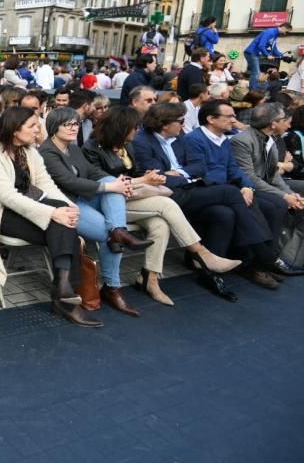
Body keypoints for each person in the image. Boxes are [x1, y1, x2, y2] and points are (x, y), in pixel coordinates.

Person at [81, 106, 240, 305]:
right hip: (107, 204)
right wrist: (143, 181)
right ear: (121, 128)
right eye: (134, 127)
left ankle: (151, 279)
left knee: (160, 224)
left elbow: (136, 173)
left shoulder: (127, 146)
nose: (137, 131)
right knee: (166, 204)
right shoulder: (91, 149)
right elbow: (102, 184)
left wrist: (149, 177)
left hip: (132, 196)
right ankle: (202, 254)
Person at [0, 107, 100, 327]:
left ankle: (63, 287)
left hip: (32, 207)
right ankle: (65, 296)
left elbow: (45, 185)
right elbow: (8, 198)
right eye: (32, 125)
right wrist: (54, 212)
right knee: (62, 224)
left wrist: (70, 206)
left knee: (63, 216)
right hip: (1, 214)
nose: (38, 129)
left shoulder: (30, 152)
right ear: (15, 129)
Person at [182, 100, 301, 289]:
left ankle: (257, 260)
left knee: (274, 204)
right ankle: (263, 256)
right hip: (207, 191)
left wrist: (245, 186)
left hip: (227, 189)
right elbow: (201, 172)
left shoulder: (225, 139)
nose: (234, 119)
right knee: (228, 212)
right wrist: (239, 188)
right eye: (229, 116)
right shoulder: (195, 139)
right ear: (211, 119)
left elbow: (236, 170)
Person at [39, 108, 147, 315]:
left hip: (85, 198)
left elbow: (92, 172)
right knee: (110, 235)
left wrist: (118, 182)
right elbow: (69, 181)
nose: (73, 128)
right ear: (54, 127)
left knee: (108, 181)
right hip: (66, 204)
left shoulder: (73, 148)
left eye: (75, 124)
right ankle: (112, 287)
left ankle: (119, 230)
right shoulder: (47, 152)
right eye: (67, 124)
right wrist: (110, 187)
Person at [244, 22, 292, 91]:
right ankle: (252, 90)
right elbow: (261, 45)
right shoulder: (270, 32)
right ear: (283, 28)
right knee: (256, 72)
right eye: (287, 32)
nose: (286, 34)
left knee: (256, 72)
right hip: (251, 52)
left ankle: (253, 88)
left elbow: (274, 49)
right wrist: (267, 55)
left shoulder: (275, 35)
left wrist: (283, 57)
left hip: (255, 54)